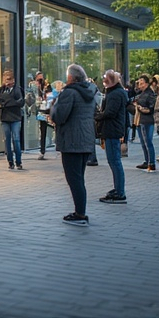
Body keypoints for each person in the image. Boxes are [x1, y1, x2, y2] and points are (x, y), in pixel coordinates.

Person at [50, 64, 98, 226]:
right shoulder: (90, 92)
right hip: (85, 139)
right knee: (79, 177)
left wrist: (53, 107)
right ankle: (80, 210)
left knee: (74, 178)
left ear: (71, 77)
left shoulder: (69, 93)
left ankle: (80, 214)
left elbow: (60, 116)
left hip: (71, 140)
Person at [95, 69, 128, 204]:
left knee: (114, 161)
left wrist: (97, 116)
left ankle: (120, 192)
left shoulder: (114, 94)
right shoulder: (117, 92)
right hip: (113, 129)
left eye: (105, 79)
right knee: (114, 161)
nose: (103, 81)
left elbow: (110, 112)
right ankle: (118, 189)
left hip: (112, 130)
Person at [0, 69, 25, 170]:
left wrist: (3, 104)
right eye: (5, 79)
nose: (7, 82)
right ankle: (10, 161)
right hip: (4, 118)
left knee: (16, 139)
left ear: (13, 80)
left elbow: (20, 102)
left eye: (9, 79)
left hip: (15, 118)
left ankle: (18, 161)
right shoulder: (0, 90)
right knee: (7, 139)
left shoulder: (17, 89)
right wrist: (2, 104)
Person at [133, 74, 158, 171]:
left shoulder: (150, 94)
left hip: (147, 120)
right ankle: (147, 160)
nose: (140, 85)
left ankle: (151, 162)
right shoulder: (141, 93)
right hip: (140, 120)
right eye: (139, 83)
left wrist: (141, 108)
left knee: (148, 141)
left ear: (147, 83)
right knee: (143, 142)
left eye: (142, 83)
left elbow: (150, 108)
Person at [36, 83, 55, 159]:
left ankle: (42, 150)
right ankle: (42, 150)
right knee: (43, 132)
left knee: (45, 132)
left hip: (46, 113)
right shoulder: (38, 92)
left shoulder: (51, 93)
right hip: (43, 113)